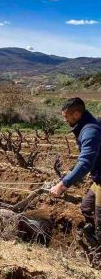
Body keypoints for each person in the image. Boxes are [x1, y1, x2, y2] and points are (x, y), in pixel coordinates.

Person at [50, 97, 101, 243]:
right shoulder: (89, 123)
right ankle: (94, 241)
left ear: (77, 114)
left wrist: (62, 184)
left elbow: (85, 163)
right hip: (98, 177)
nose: (65, 120)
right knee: (86, 207)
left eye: (66, 117)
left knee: (100, 221)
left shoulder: (90, 131)